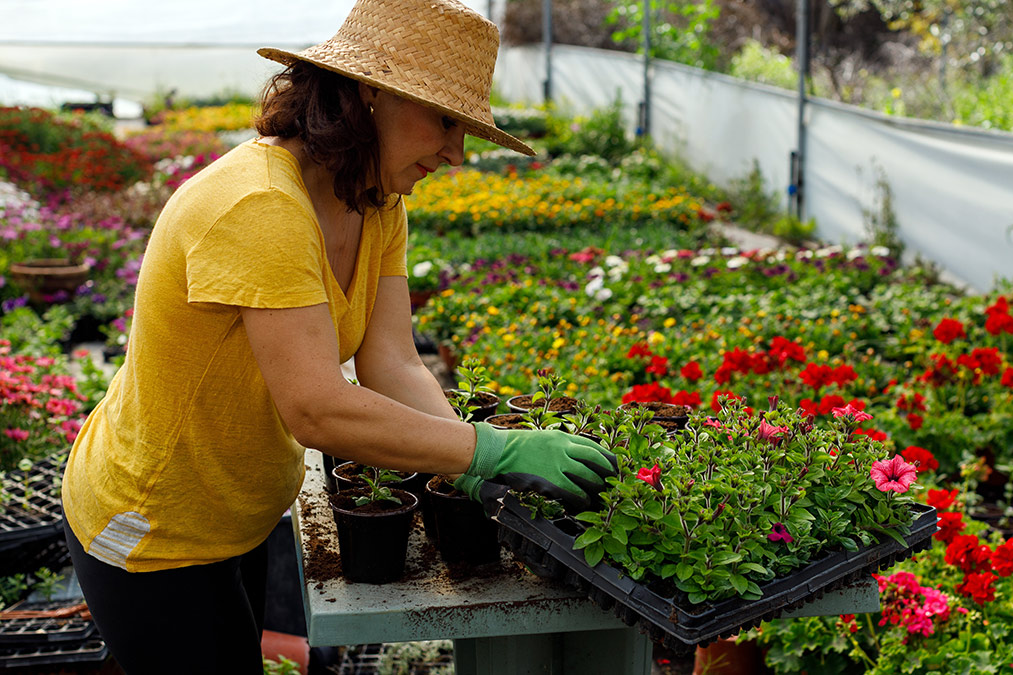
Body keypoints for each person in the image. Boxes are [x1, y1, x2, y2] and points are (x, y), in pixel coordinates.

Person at [60, 0, 617, 672]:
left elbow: (392, 361)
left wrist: (467, 468)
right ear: (372, 95)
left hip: (237, 508)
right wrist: (486, 446)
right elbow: (317, 406)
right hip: (152, 522)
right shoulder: (260, 206)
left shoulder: (376, 201)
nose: (458, 153)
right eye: (446, 121)